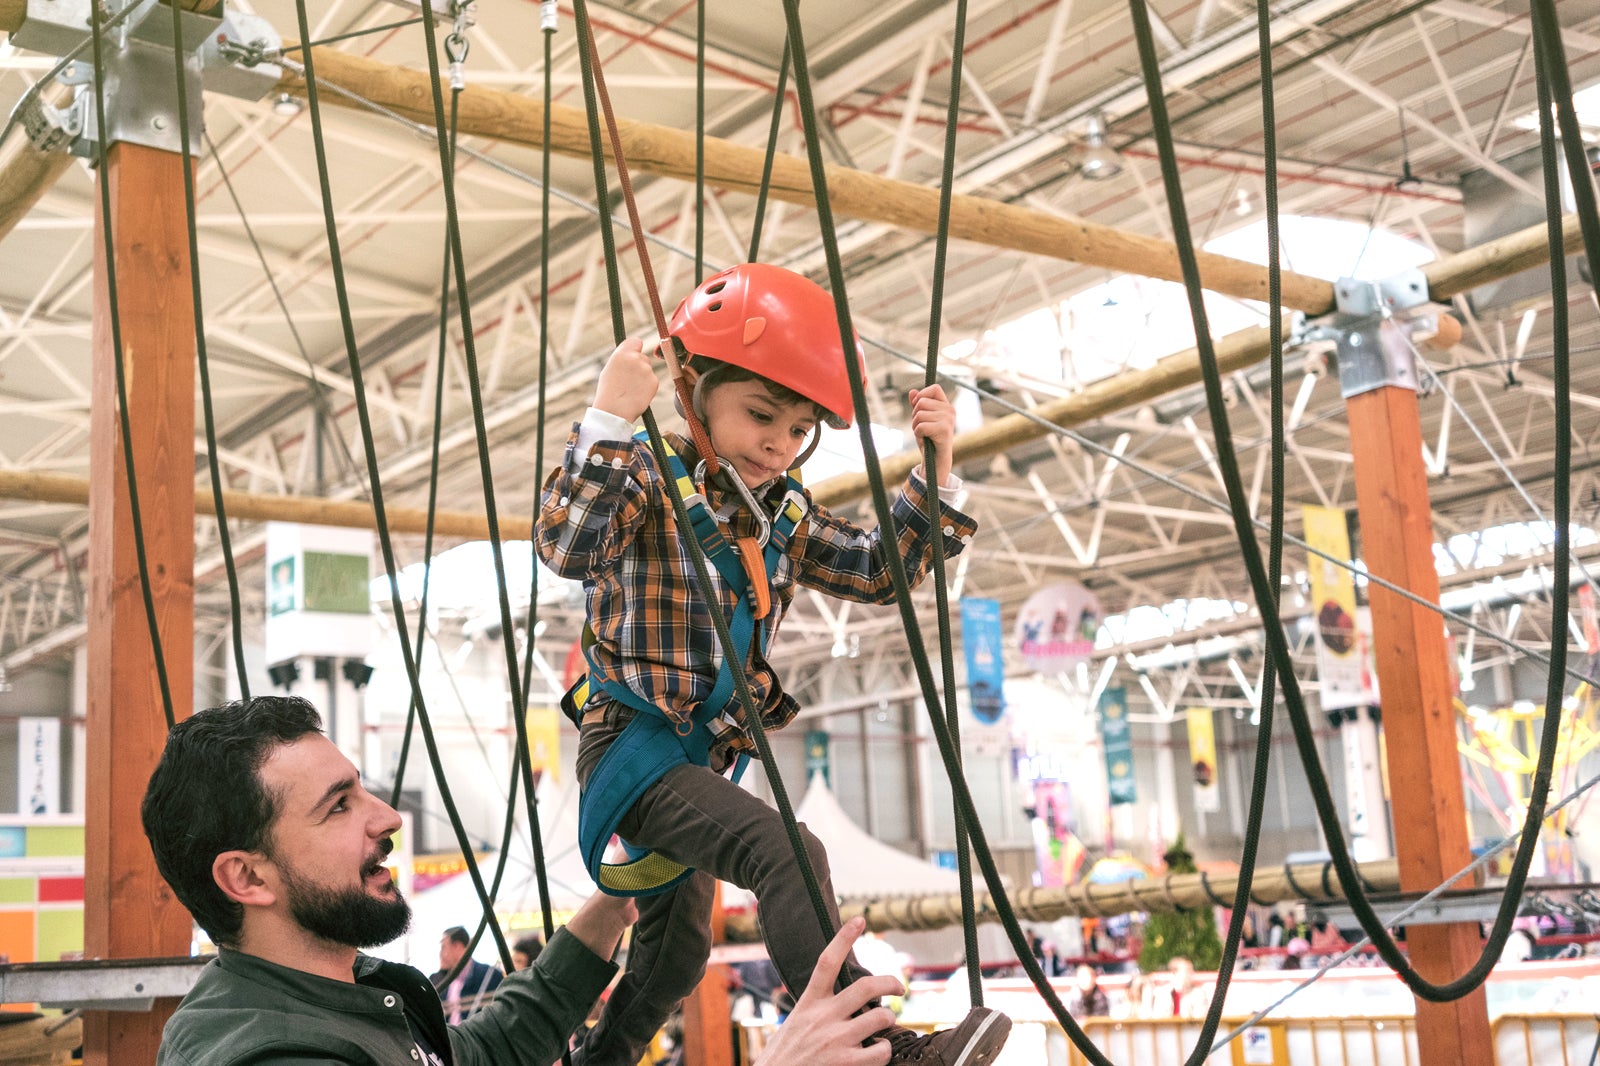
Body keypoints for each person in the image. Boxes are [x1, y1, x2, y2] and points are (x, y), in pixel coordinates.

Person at [537, 263, 1007, 1066]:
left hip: (701, 760)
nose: (776, 444)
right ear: (693, 389)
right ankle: (880, 1048)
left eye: (797, 432)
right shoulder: (646, 476)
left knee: (674, 957)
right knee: (786, 851)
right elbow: (568, 547)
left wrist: (935, 467)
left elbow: (877, 570)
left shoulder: (781, 509)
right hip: (633, 748)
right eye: (760, 415)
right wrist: (609, 420)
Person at [141, 695, 911, 1066]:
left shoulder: (350, 994)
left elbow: (490, 1050)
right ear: (247, 877)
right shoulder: (274, 1059)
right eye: (338, 807)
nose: (386, 818)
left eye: (363, 788)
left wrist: (621, 892)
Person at [432, 926, 502, 1023]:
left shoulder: (489, 976)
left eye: (443, 947)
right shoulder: (436, 980)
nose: (440, 954)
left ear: (457, 946)